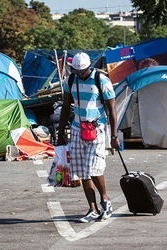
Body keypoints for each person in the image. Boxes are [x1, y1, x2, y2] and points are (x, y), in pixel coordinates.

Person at [56, 52, 120, 223]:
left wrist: (114, 135)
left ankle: (105, 201)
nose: (80, 74)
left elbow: (112, 109)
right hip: (77, 129)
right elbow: (65, 108)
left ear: (88, 67)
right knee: (82, 171)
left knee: (93, 168)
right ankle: (92, 208)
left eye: (82, 71)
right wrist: (61, 133)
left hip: (97, 129)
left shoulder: (101, 80)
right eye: (77, 72)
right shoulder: (70, 80)